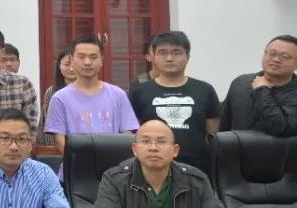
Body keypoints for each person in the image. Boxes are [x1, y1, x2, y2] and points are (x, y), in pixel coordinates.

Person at [92, 120, 236, 208]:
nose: (153, 147)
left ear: (175, 150)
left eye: (161, 141)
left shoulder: (195, 179)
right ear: (134, 149)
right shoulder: (115, 179)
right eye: (145, 141)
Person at [129, 32, 220, 172]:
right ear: (153, 57)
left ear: (188, 57)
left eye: (176, 52)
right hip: (151, 168)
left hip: (197, 169)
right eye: (162, 53)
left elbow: (213, 135)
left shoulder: (205, 90)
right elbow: (134, 133)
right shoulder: (139, 92)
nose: (169, 58)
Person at [44, 35, 139, 167]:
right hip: (76, 169)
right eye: (81, 57)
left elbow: (127, 134)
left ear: (102, 61)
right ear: (72, 60)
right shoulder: (60, 98)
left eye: (93, 57)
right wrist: (84, 162)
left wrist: (111, 162)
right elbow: (60, 140)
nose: (87, 62)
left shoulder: (118, 95)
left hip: (114, 169)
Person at [220, 35, 297, 135]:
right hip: (236, 144)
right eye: (271, 53)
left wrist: (261, 90)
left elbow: (281, 128)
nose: (276, 59)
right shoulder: (241, 82)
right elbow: (223, 124)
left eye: (285, 56)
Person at [38, 48, 74, 146]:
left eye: (74, 64)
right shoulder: (52, 92)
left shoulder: (88, 91)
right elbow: (48, 123)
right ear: (59, 66)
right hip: (55, 146)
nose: (71, 69)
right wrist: (52, 148)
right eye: (67, 64)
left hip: (82, 143)